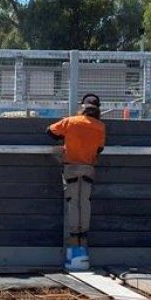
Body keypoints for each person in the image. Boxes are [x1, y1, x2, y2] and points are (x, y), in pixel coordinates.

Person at [48, 94, 106, 271]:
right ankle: (83, 244)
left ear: (82, 107)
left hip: (71, 166)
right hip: (88, 168)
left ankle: (74, 244)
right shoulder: (100, 126)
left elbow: (50, 131)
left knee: (73, 203)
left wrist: (67, 139)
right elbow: (99, 149)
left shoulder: (70, 121)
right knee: (84, 203)